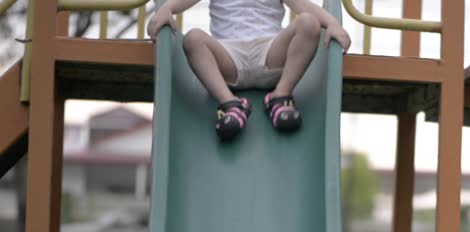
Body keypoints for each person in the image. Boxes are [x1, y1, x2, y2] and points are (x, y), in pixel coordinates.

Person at [147, 0, 351, 140]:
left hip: (269, 53)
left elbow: (305, 6)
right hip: (228, 57)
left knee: (308, 22)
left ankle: (281, 95)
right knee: (193, 39)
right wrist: (168, 8)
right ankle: (230, 103)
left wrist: (332, 23)